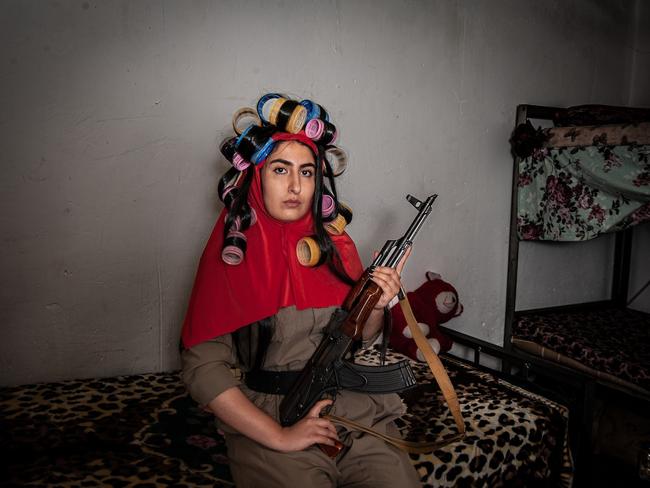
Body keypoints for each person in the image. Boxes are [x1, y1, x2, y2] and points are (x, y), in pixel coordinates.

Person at [180, 94, 421, 487]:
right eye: (280, 169)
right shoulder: (230, 256)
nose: (295, 186)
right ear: (256, 177)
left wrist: (378, 301)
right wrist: (280, 437)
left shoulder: (335, 244)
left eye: (307, 172)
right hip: (272, 419)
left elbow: (358, 335)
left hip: (352, 413)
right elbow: (204, 370)